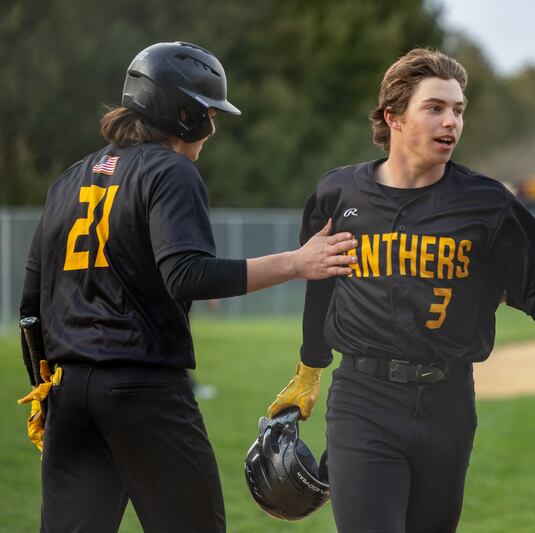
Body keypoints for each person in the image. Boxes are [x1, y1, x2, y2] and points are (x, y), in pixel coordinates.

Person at [266, 48, 535, 532]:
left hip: (448, 405)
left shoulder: (487, 203)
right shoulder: (338, 194)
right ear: (393, 116)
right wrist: (309, 368)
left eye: (458, 110)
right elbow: (321, 286)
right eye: (434, 107)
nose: (450, 121)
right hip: (363, 399)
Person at [16, 41, 357, 533]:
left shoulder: (69, 178)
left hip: (69, 395)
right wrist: (297, 262)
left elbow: (31, 306)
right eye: (207, 112)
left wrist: (47, 390)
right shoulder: (170, 169)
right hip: (142, 393)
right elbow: (188, 275)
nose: (212, 128)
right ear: (180, 113)